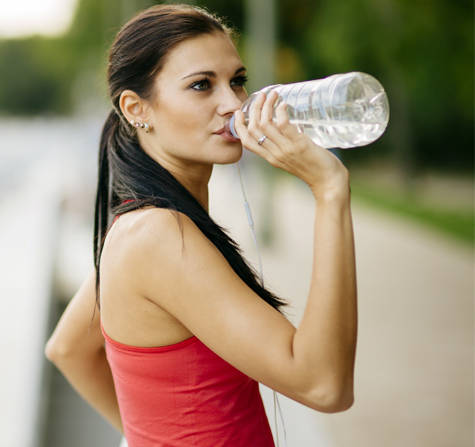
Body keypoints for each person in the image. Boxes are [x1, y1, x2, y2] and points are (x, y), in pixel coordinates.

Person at [44, 4, 358, 447]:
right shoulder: (157, 237)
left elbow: (67, 348)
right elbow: (324, 384)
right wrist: (329, 189)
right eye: (201, 85)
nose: (232, 104)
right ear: (137, 108)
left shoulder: (141, 225)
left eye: (237, 81)